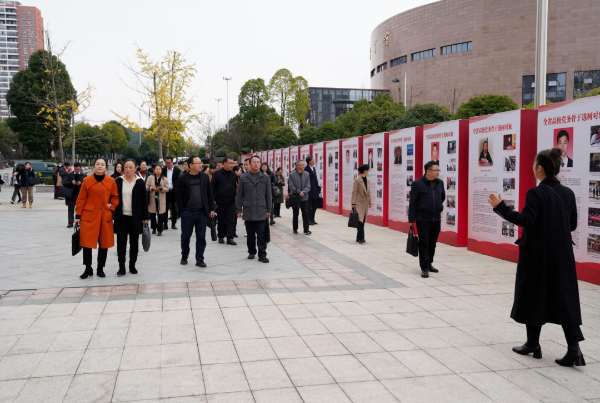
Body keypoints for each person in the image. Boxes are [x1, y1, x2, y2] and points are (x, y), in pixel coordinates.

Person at [488, 148, 586, 367]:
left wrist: (500, 207)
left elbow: (526, 220)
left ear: (540, 168)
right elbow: (571, 225)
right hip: (561, 255)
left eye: (534, 164)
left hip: (536, 254)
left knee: (533, 295)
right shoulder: (568, 193)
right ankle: (573, 349)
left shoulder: (535, 193)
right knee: (564, 298)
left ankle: (533, 343)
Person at [74, 158, 120, 279]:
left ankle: (100, 268)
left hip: (105, 216)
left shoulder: (111, 181)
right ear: (94, 166)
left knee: (104, 243)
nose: (100, 166)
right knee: (86, 244)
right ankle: (88, 268)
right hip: (89, 216)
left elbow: (115, 197)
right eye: (97, 164)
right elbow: (81, 199)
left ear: (106, 167)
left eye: (102, 164)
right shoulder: (87, 180)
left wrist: (112, 207)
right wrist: (77, 216)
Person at [176, 155, 216, 268]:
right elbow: (178, 196)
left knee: (201, 237)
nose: (200, 165)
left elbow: (209, 193)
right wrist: (182, 211)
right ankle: (184, 256)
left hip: (201, 212)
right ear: (190, 165)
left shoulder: (204, 177)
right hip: (187, 213)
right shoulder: (182, 178)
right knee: (185, 236)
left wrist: (212, 208)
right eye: (197, 163)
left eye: (200, 163)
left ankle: (199, 259)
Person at [408, 161, 445, 278]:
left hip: (436, 218)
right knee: (423, 242)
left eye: (438, 170)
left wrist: (438, 206)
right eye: (436, 170)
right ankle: (424, 267)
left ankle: (429, 263)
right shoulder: (417, 184)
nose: (438, 172)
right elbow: (413, 202)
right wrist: (411, 219)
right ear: (428, 171)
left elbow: (442, 197)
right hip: (422, 218)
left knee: (432, 242)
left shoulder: (440, 183)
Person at [114, 159, 149, 276]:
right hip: (121, 217)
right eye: (126, 167)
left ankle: (132, 265)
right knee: (121, 242)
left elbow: (144, 201)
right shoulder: (118, 181)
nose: (128, 169)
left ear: (135, 168)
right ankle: (121, 267)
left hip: (136, 218)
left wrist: (145, 217)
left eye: (130, 167)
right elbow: (112, 197)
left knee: (134, 243)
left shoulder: (140, 182)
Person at [236, 156, 272, 262]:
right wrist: (239, 210)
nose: (256, 164)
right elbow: (240, 195)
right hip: (249, 210)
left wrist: (269, 209)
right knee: (250, 234)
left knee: (261, 233)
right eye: (254, 162)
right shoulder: (244, 177)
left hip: (261, 209)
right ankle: (251, 251)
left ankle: (262, 254)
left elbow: (268, 195)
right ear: (250, 164)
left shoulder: (265, 177)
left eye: (258, 162)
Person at [212, 156, 238, 245]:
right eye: (230, 163)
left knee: (231, 220)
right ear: (224, 163)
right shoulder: (217, 174)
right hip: (220, 201)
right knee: (221, 220)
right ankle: (221, 236)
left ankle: (230, 237)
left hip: (231, 201)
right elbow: (212, 188)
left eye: (233, 163)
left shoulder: (234, 175)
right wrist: (213, 200)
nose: (232, 165)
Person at [288, 160, 311, 235]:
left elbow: (308, 185)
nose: (303, 166)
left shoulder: (307, 174)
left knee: (305, 213)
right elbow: (291, 186)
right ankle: (295, 229)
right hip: (296, 196)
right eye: (302, 165)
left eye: (304, 164)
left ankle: (306, 229)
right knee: (295, 213)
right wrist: (298, 192)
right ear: (297, 166)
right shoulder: (292, 174)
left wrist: (303, 192)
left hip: (304, 197)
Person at [351, 164, 372, 244]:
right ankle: (361, 238)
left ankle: (358, 237)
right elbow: (354, 192)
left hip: (365, 203)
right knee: (360, 220)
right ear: (365, 171)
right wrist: (353, 203)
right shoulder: (357, 180)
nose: (369, 172)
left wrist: (370, 202)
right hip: (358, 203)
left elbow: (368, 193)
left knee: (362, 220)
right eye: (368, 170)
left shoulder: (368, 180)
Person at [147, 164, 169, 236]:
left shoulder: (164, 179)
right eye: (156, 169)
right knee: (153, 214)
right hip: (152, 197)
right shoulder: (150, 178)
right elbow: (146, 186)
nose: (158, 170)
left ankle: (160, 230)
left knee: (160, 214)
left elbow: (167, 188)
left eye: (159, 169)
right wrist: (152, 188)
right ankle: (153, 228)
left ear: (161, 170)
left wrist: (162, 188)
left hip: (161, 198)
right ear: (154, 170)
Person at [63, 162, 87, 228]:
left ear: (80, 168)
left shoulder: (84, 175)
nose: (77, 171)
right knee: (70, 209)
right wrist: (71, 182)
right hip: (71, 194)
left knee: (79, 209)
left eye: (78, 169)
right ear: (74, 168)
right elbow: (64, 183)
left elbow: (87, 184)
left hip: (80, 195)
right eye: (76, 169)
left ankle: (79, 222)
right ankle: (70, 222)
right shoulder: (69, 175)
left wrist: (81, 183)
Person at [164, 157, 181, 230]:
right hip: (165, 191)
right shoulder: (163, 170)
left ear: (172, 162)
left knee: (174, 207)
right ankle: (165, 224)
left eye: (168, 162)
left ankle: (173, 223)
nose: (167, 164)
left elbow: (179, 180)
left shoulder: (177, 170)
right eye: (166, 162)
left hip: (174, 191)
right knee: (165, 207)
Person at [305, 156, 320, 225]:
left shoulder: (313, 168)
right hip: (309, 190)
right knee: (309, 206)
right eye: (313, 160)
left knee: (314, 206)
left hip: (315, 190)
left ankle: (312, 219)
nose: (314, 161)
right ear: (309, 161)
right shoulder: (306, 169)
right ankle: (308, 220)